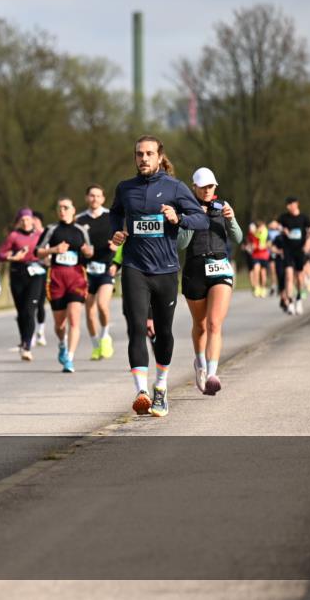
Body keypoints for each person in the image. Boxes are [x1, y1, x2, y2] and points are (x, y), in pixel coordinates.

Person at [109, 135, 209, 417]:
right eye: (139, 154)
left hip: (165, 270)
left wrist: (179, 219)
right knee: (137, 328)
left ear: (159, 156)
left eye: (149, 154)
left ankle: (161, 387)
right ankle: (141, 391)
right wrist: (116, 231)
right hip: (134, 267)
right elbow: (115, 213)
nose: (143, 158)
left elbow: (200, 219)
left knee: (163, 333)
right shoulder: (125, 188)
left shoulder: (174, 188)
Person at [178, 168, 243, 395]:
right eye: (203, 186)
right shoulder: (185, 208)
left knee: (215, 323)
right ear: (193, 187)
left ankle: (213, 374)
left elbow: (238, 238)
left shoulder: (222, 207)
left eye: (211, 186)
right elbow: (181, 245)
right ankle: (200, 363)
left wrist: (231, 218)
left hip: (220, 266)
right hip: (194, 269)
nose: (207, 191)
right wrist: (188, 220)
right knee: (201, 325)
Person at [36, 198, 94, 373]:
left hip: (77, 276)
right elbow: (37, 252)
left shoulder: (81, 230)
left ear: (73, 210)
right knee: (60, 324)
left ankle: (69, 357)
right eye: (59, 207)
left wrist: (87, 252)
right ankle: (62, 343)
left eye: (66, 207)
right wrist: (54, 250)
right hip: (56, 277)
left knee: (74, 320)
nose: (62, 210)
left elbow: (90, 251)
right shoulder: (51, 229)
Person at [75, 185, 117, 360]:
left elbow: (123, 240)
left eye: (98, 196)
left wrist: (116, 258)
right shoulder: (79, 220)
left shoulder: (111, 217)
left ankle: (105, 336)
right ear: (86, 198)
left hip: (107, 269)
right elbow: (73, 244)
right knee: (90, 312)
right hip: (86, 271)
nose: (94, 199)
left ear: (103, 199)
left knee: (102, 305)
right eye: (91, 196)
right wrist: (82, 251)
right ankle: (95, 345)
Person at [0, 207, 44, 361]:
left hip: (35, 274)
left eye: (28, 219)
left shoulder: (40, 236)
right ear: (18, 222)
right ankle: (24, 339)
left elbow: (47, 251)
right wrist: (13, 257)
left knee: (30, 310)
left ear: (32, 220)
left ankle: (27, 346)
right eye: (22, 220)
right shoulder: (13, 236)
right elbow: (0, 254)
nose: (25, 222)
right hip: (18, 273)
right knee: (21, 312)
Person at [278, 197, 310, 315]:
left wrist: (309, 242)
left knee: (299, 276)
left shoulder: (303, 218)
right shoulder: (284, 218)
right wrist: (281, 228)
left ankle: (298, 299)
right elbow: (273, 224)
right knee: (289, 275)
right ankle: (290, 302)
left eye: (291, 204)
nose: (289, 207)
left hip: (300, 250)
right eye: (287, 204)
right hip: (288, 250)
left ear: (296, 204)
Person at [31, 212, 49, 348]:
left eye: (35, 220)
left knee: (41, 303)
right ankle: (30, 334)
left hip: (44, 270)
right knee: (31, 304)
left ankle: (40, 331)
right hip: (30, 272)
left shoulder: (47, 234)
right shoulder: (29, 235)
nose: (32, 222)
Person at [246, 220, 270, 298]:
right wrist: (251, 247)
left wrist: (263, 246)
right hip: (255, 255)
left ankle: (263, 288)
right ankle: (257, 288)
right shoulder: (254, 234)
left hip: (264, 255)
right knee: (256, 270)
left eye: (262, 227)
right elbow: (251, 243)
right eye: (260, 227)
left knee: (263, 273)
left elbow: (269, 244)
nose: (261, 228)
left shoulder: (266, 233)